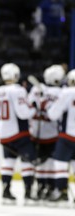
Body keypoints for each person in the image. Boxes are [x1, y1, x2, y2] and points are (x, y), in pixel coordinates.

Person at [0, 63, 38, 205]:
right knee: (27, 162)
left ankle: (6, 191)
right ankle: (28, 193)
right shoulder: (19, 90)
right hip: (19, 133)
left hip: (4, 134)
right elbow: (23, 113)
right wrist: (34, 109)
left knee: (7, 162)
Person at [28, 65, 65, 202]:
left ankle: (41, 186)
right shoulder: (61, 92)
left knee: (41, 162)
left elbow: (29, 104)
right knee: (51, 162)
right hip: (54, 132)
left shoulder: (37, 90)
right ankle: (50, 187)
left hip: (37, 131)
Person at [46, 69, 75, 207]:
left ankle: (61, 191)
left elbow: (53, 114)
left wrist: (48, 107)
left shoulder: (67, 92)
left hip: (67, 136)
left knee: (60, 164)